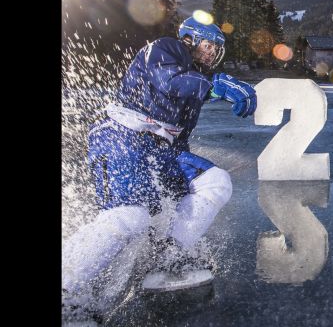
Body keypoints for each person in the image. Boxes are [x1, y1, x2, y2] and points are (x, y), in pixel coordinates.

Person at [62, 16, 258, 318]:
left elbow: (177, 135)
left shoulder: (195, 76)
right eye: (208, 45)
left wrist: (180, 180)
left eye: (215, 50)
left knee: (215, 182)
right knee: (131, 216)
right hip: (123, 137)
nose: (211, 54)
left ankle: (169, 255)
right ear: (190, 39)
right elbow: (169, 82)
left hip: (162, 149)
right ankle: (67, 286)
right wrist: (214, 86)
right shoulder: (166, 48)